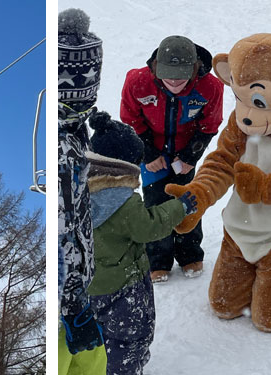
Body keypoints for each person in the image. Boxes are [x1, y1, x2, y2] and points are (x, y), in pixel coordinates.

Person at [164, 33, 271, 333]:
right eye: (240, 98)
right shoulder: (239, 123)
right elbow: (221, 162)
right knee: (223, 305)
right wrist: (197, 196)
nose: (246, 115)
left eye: (259, 102)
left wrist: (266, 188)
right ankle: (261, 273)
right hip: (240, 231)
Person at [85, 111, 196, 374]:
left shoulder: (78, 191)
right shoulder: (123, 201)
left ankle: (100, 366)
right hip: (125, 285)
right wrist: (179, 208)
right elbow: (149, 226)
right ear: (125, 165)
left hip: (93, 286)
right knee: (130, 335)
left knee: (101, 336)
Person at [120, 35, 224, 283]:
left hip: (185, 151)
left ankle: (189, 254)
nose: (174, 81)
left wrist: (190, 156)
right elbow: (130, 119)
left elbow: (209, 125)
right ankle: (158, 260)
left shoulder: (210, 87)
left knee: (189, 198)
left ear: (194, 69)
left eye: (181, 75)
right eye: (168, 74)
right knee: (155, 202)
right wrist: (149, 153)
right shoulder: (137, 82)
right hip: (152, 152)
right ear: (156, 68)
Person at [58, 7, 106, 375]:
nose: (81, 111)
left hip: (77, 290)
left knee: (87, 361)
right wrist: (73, 295)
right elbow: (66, 223)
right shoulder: (64, 147)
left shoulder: (72, 135)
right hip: (70, 296)